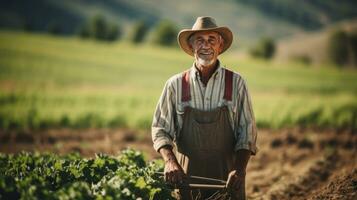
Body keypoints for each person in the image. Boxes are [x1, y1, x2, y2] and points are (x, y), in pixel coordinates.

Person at [151, 16, 258, 200]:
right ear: (191, 47)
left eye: (211, 40)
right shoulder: (175, 85)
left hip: (228, 185)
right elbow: (160, 129)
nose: (206, 46)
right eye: (199, 40)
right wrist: (170, 162)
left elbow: (247, 133)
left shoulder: (237, 83)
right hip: (186, 184)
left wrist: (239, 170)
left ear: (220, 46)